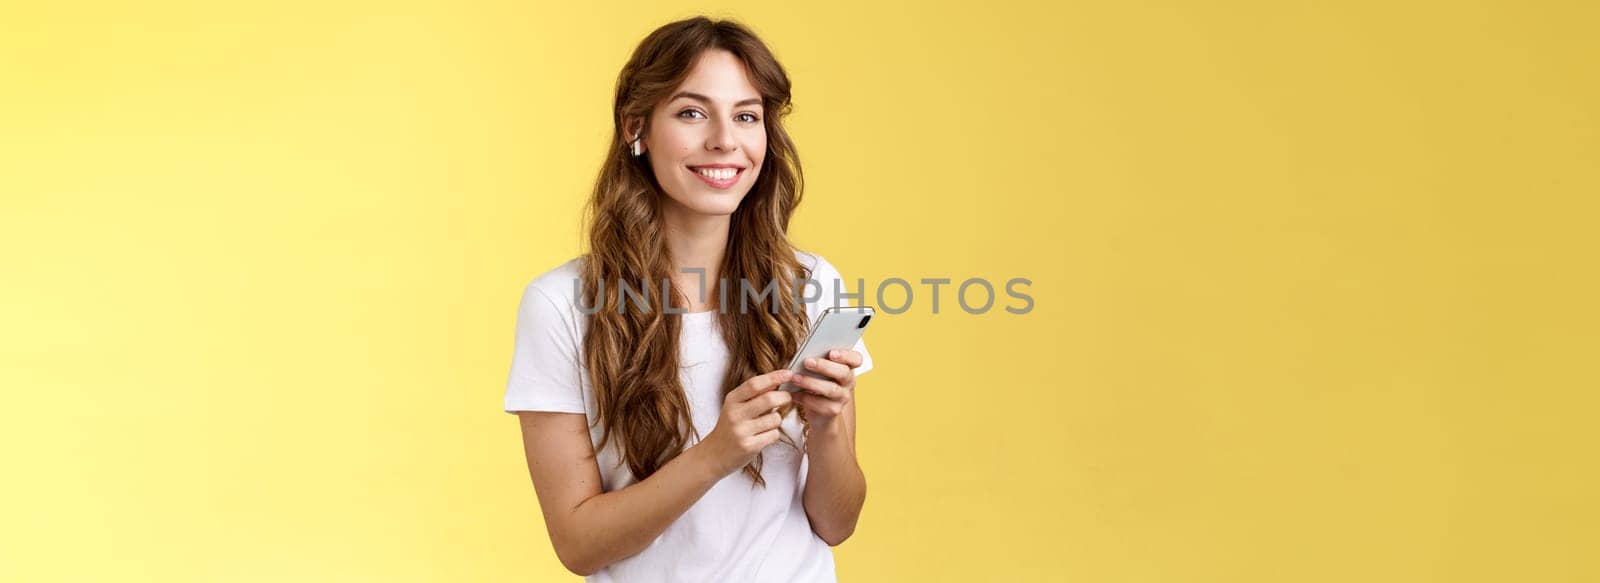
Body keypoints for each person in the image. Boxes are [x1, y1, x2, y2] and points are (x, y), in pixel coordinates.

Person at [503, 16, 876, 582]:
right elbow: (578, 546)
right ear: (637, 127)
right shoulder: (561, 304)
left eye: (747, 116)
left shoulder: (812, 284)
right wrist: (715, 454)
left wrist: (826, 430)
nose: (725, 140)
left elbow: (836, 524)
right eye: (692, 112)